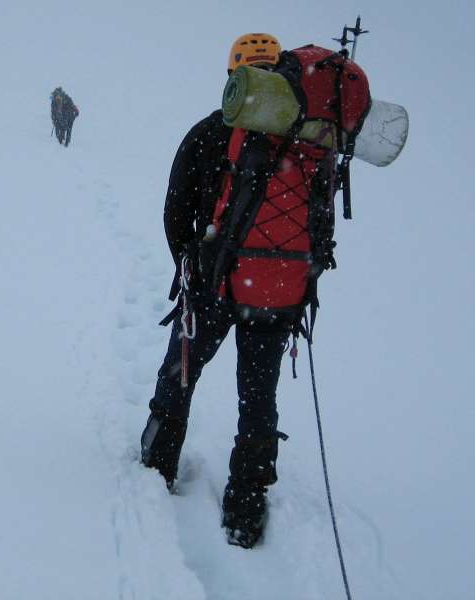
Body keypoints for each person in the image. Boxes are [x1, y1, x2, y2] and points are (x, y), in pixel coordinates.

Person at [140, 32, 353, 549]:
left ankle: (157, 465)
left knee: (181, 372)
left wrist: (192, 263)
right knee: (258, 396)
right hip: (277, 293)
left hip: (212, 286)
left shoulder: (211, 131)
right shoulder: (310, 143)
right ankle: (246, 509)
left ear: (235, 76)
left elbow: (175, 210)